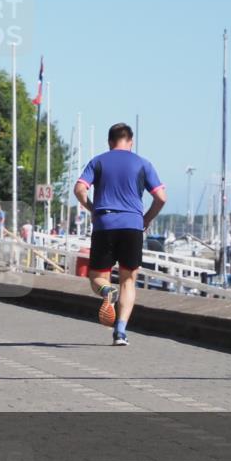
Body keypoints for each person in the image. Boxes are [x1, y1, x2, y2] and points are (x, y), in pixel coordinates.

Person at [73, 122, 166, 346]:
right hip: (132, 225)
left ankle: (107, 290)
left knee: (97, 277)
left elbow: (79, 189)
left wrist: (93, 209)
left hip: (104, 223)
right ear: (131, 142)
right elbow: (161, 197)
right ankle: (120, 332)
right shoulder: (143, 163)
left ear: (109, 142)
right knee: (128, 280)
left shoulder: (98, 161)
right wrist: (146, 218)